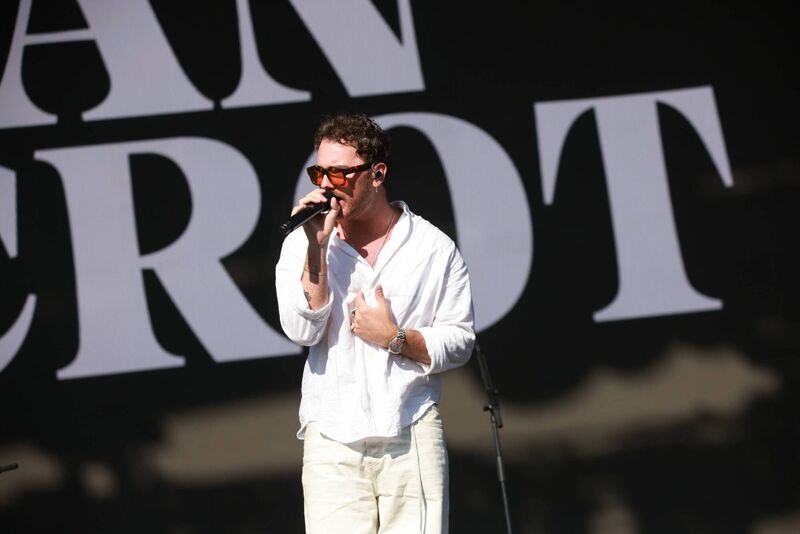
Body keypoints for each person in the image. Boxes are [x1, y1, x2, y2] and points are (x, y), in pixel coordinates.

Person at [275, 112, 475, 534]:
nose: (326, 185)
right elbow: (301, 330)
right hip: (332, 438)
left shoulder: (432, 248)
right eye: (319, 172)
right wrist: (316, 250)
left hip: (409, 431)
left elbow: (460, 341)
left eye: (340, 174)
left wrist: (396, 338)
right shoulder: (302, 244)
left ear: (377, 173)